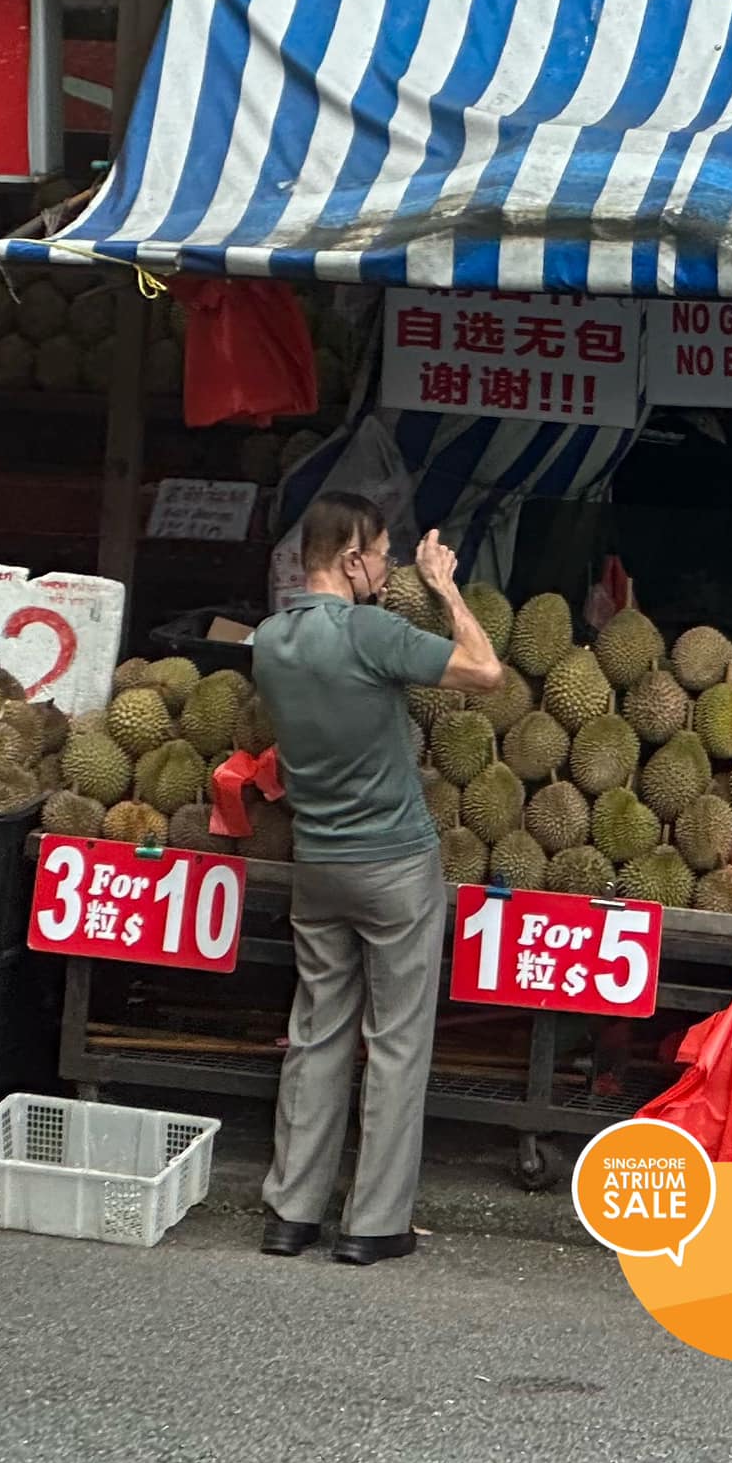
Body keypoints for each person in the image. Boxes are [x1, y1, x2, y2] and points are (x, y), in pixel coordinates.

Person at [252, 495, 504, 1265]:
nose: (389, 567)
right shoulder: (372, 632)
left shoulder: (269, 640)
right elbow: (486, 672)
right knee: (395, 1042)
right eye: (384, 554)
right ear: (352, 554)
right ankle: (372, 1225)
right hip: (394, 863)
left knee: (316, 1035)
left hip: (319, 864)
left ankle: (291, 1214)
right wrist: (446, 588)